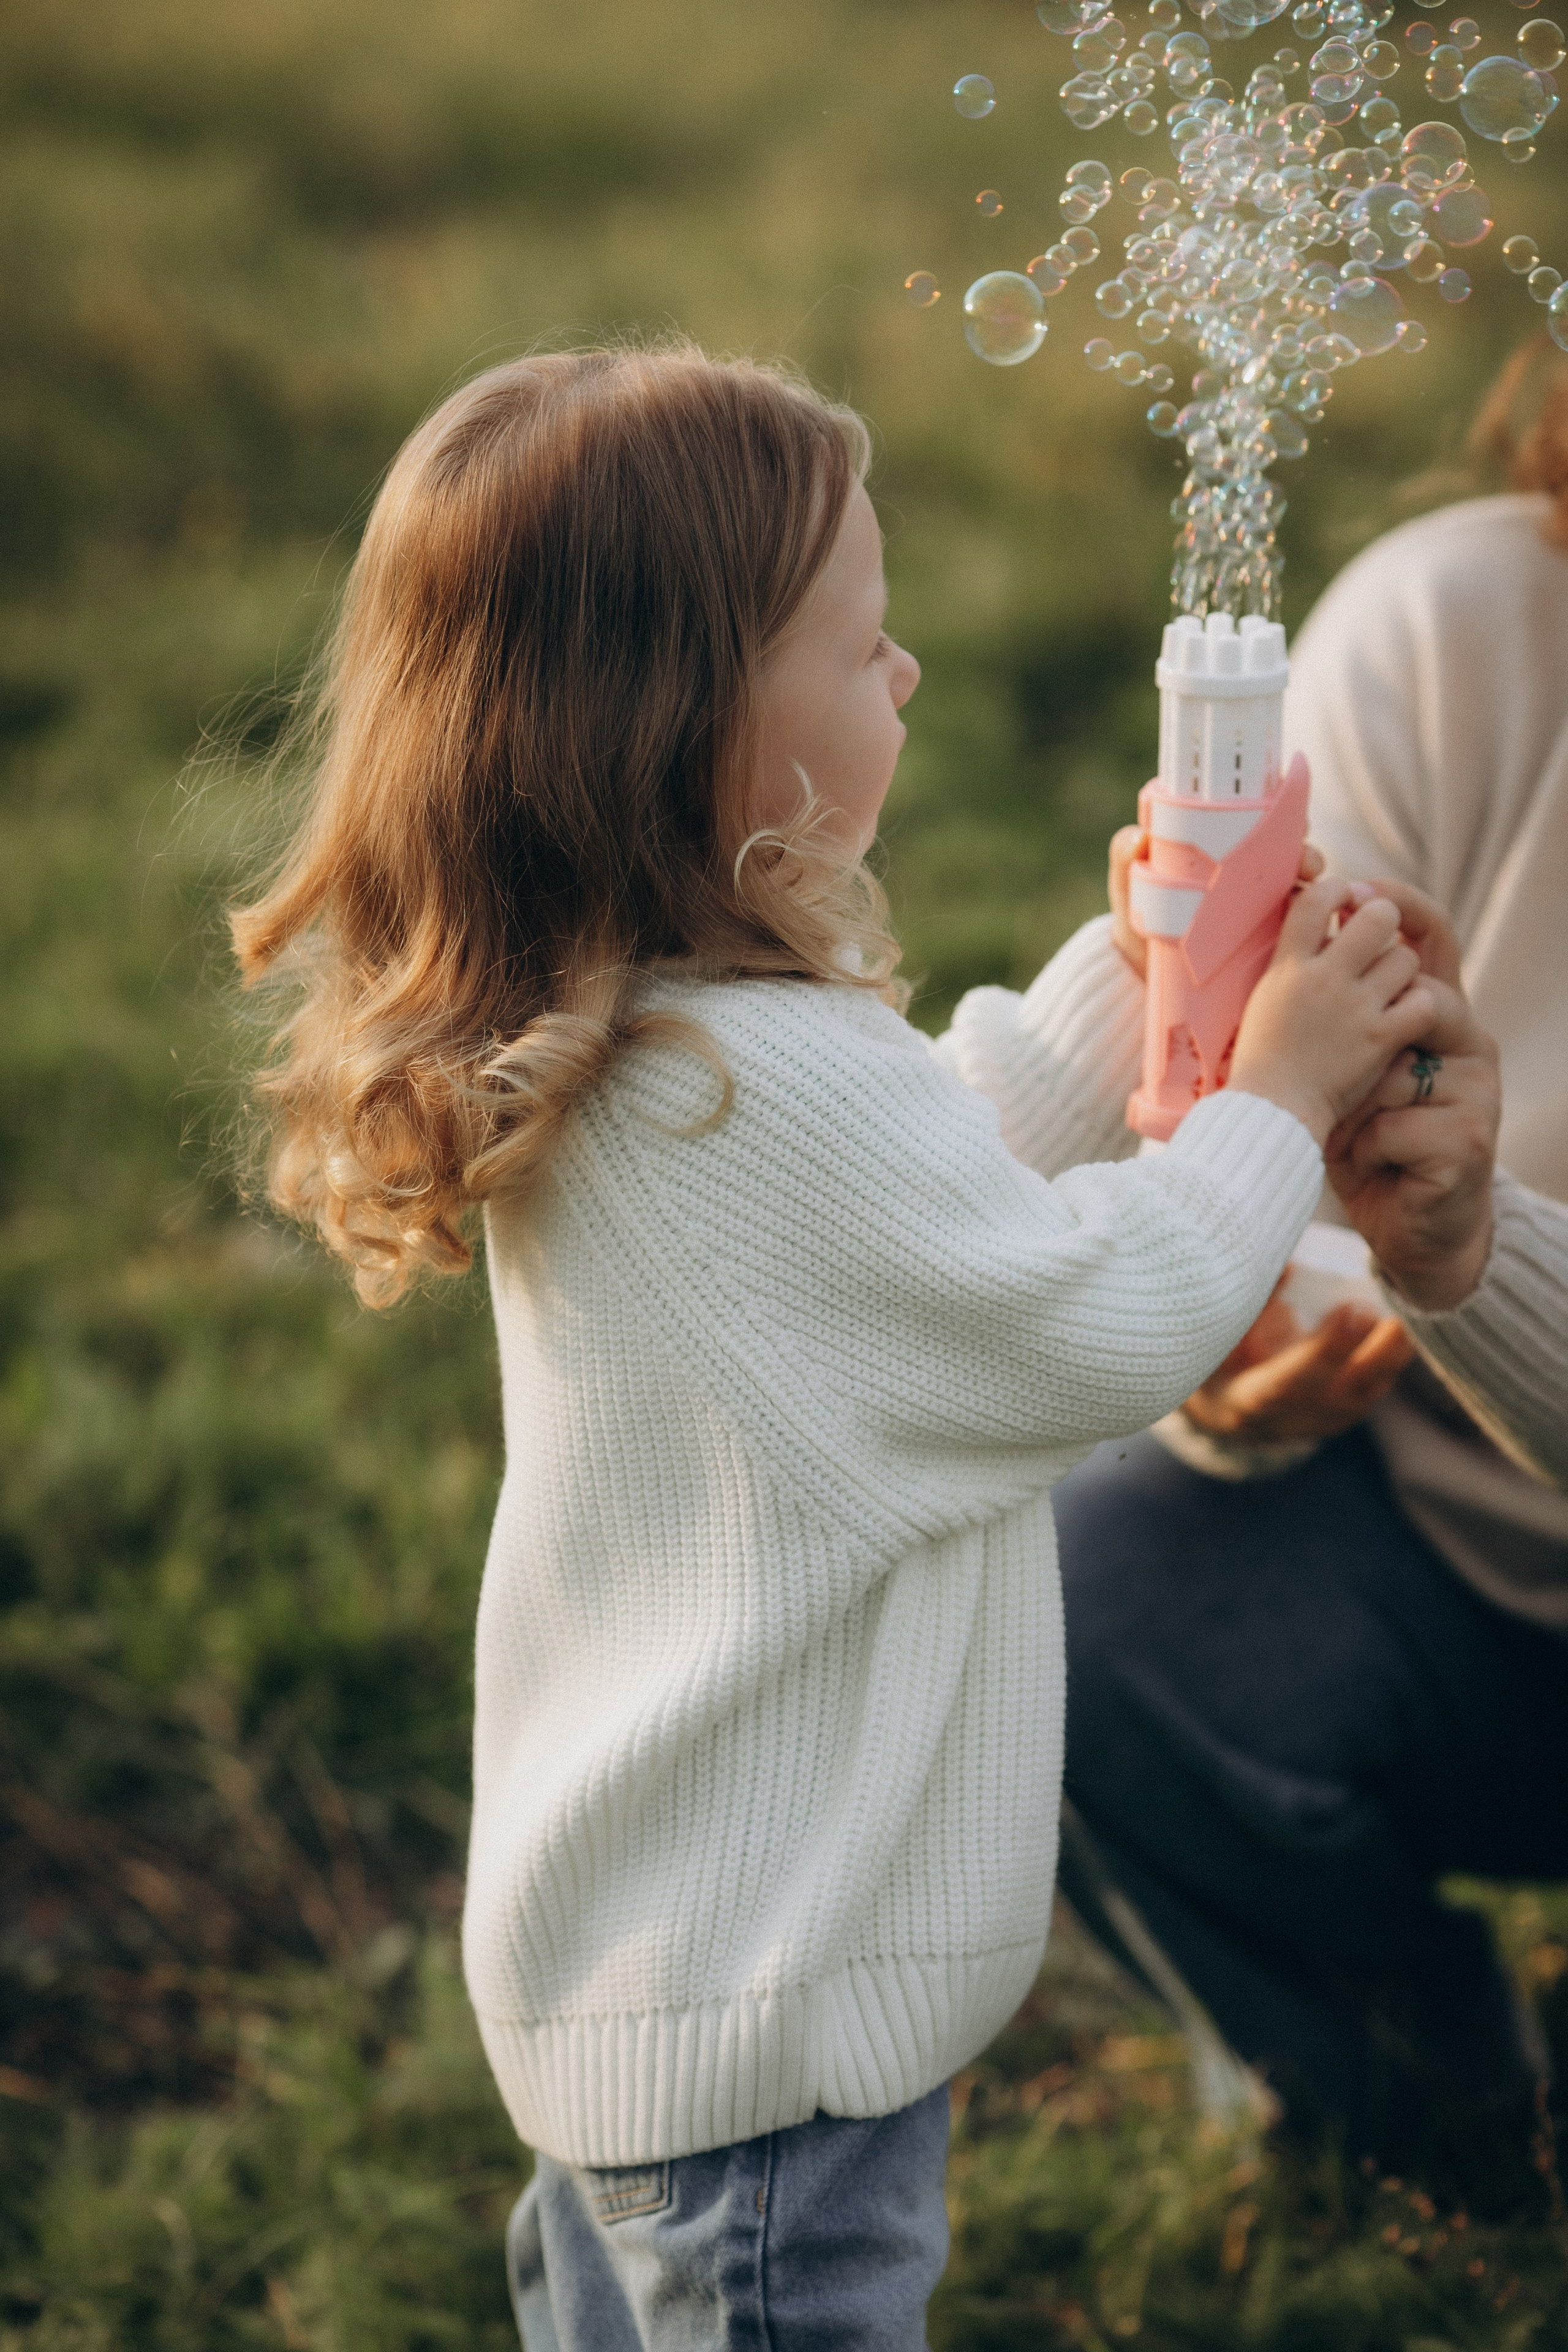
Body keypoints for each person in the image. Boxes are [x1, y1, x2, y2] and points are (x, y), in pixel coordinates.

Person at [228, 344, 1441, 2349]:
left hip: (649, 1985)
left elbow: (908, 1215)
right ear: (692, 724)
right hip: (782, 2050)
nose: (907, 681)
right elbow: (1090, 1318)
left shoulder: (647, 1050)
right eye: (862, 647)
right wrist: (1276, 1104)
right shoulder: (765, 1090)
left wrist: (1124, 979)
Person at [1057, 344, 1568, 2183]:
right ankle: (1410, 2091)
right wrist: (1227, 1371)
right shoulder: (1458, 633)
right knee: (1061, 1573)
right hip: (1448, 1568)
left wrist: (1473, 1249)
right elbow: (1247, 1179)